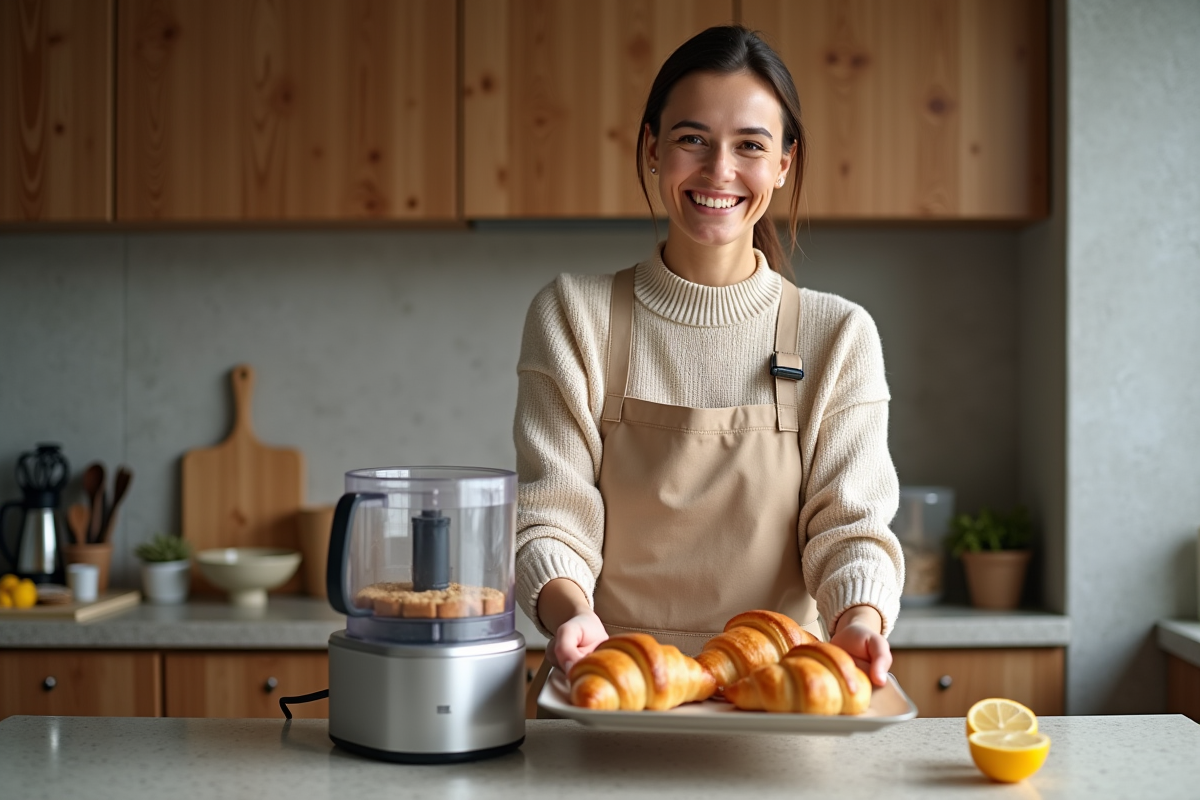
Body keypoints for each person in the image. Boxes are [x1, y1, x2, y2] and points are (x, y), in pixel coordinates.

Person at [513, 25, 904, 688]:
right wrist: (571, 616)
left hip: (780, 701)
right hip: (611, 689)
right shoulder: (573, 315)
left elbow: (850, 528)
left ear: (783, 164)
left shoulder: (837, 335)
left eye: (750, 145)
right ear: (652, 149)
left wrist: (859, 621)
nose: (719, 170)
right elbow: (552, 516)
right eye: (692, 139)